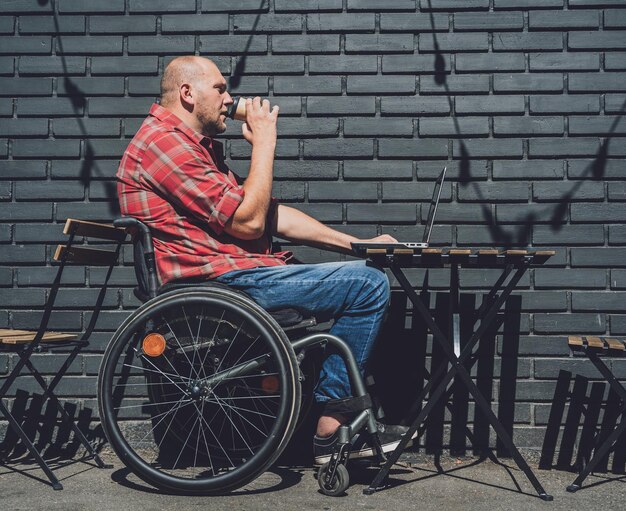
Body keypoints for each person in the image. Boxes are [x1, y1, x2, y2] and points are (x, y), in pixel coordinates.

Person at [117, 55, 412, 464]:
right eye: (220, 88)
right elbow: (250, 221)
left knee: (364, 273)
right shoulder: (163, 145)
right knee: (367, 286)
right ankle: (332, 427)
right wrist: (266, 143)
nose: (228, 98)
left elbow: (268, 214)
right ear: (187, 93)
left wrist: (358, 245)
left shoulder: (191, 148)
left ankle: (335, 417)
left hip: (237, 279)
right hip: (217, 288)